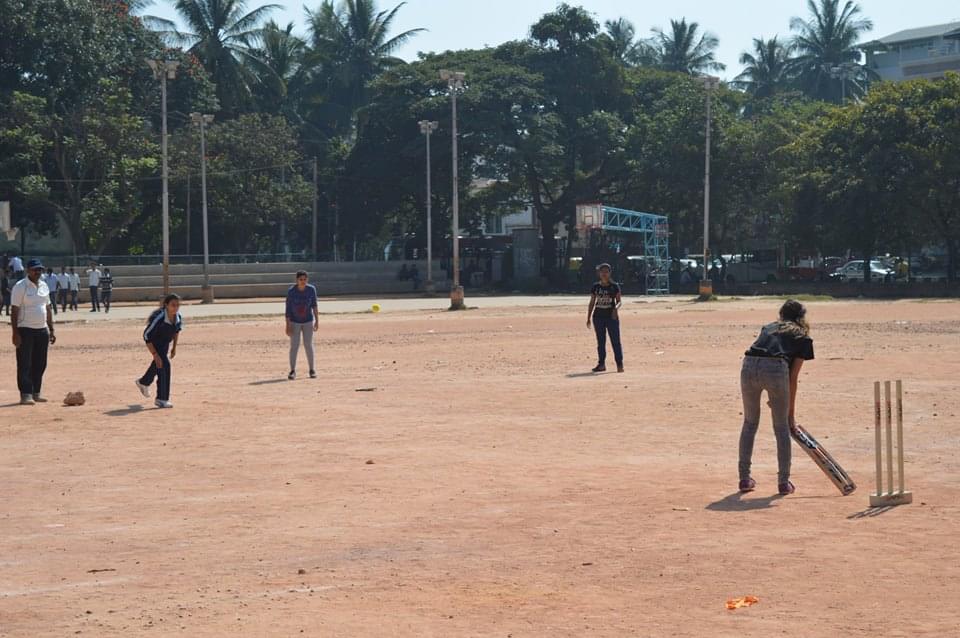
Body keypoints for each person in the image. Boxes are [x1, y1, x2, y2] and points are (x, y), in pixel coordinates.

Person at [738, 300, 815, 496]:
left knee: (749, 423)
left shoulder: (768, 328)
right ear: (801, 317)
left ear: (781, 314)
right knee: (781, 426)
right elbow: (792, 378)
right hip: (775, 369)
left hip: (748, 365)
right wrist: (790, 414)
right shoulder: (802, 336)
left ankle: (744, 479)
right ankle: (783, 482)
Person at [10, 259, 57, 405]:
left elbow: (48, 308)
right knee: (25, 363)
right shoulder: (20, 286)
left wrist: (51, 328)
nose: (38, 272)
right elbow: (14, 310)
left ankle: (36, 392)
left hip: (42, 329)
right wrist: (15, 333)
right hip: (25, 330)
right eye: (35, 269)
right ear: (28, 271)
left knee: (40, 363)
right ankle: (26, 394)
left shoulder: (44, 285)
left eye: (40, 270)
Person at [135, 293, 182, 409]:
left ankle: (144, 382)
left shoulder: (178, 317)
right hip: (154, 342)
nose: (175, 308)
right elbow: (146, 335)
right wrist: (155, 354)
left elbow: (176, 332)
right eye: (173, 305)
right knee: (164, 365)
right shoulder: (160, 318)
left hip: (165, 344)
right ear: (166, 305)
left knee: (159, 364)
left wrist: (174, 348)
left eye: (177, 305)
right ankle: (161, 399)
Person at [586, 263, 624, 373]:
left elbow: (619, 302)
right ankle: (601, 364)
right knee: (601, 342)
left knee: (615, 341)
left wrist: (615, 309)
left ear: (610, 273)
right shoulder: (596, 287)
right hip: (598, 317)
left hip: (611, 318)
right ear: (599, 273)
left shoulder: (614, 286)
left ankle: (619, 364)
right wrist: (588, 317)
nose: (604, 274)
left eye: (606, 271)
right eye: (602, 271)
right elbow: (592, 302)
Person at [285, 270, 319, 380]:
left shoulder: (311, 289)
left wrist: (317, 321)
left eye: (305, 279)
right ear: (297, 280)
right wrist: (288, 325)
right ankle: (292, 370)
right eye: (301, 279)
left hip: (308, 321)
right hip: (295, 322)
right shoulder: (292, 291)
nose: (303, 281)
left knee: (308, 345)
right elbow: (288, 309)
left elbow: (314, 306)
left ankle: (312, 369)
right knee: (294, 346)